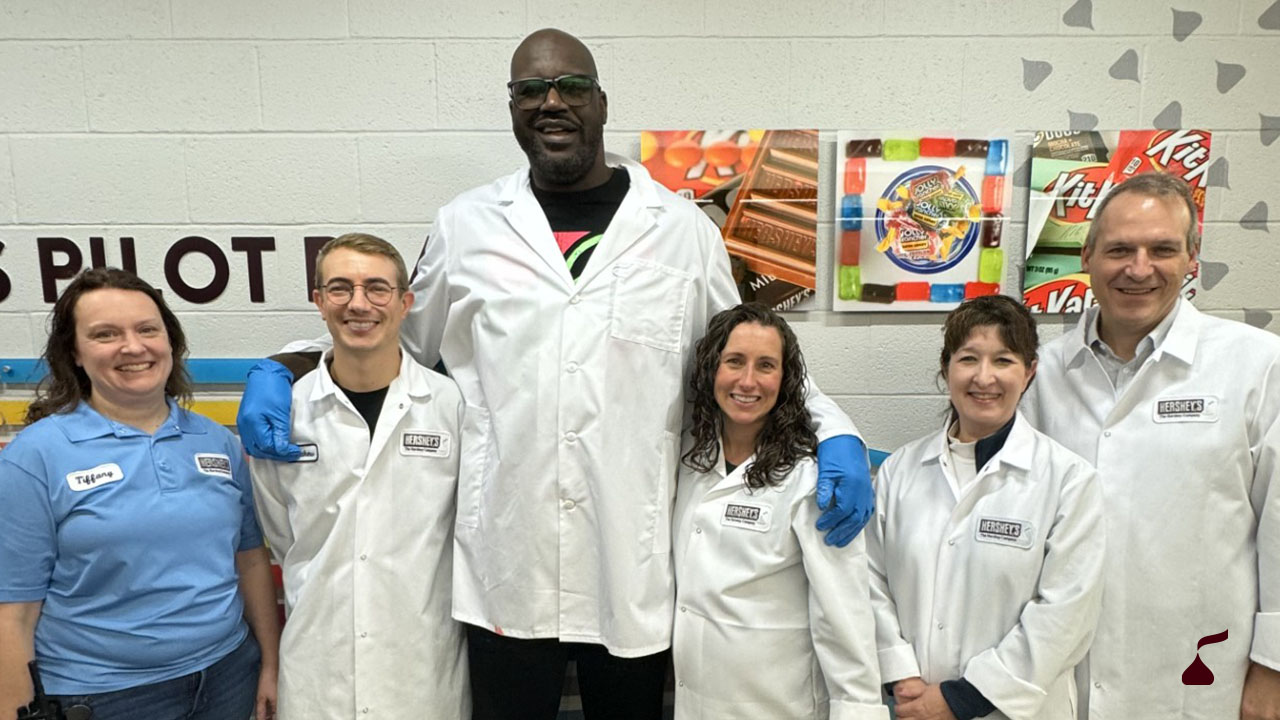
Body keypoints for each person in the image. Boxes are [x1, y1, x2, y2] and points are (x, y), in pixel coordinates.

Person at [236, 28, 874, 719]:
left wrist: (835, 431)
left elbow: (748, 353)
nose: (551, 104)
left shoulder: (681, 231)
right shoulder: (468, 224)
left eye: (570, 88)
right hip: (506, 567)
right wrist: (281, 365)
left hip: (630, 567)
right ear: (512, 108)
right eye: (530, 91)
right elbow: (397, 340)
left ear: (601, 102)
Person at [1024, 172, 1280, 720]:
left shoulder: (1257, 364)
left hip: (1204, 666)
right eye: (1119, 249)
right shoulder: (1040, 374)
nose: (1138, 269)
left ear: (1191, 256)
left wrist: (1272, 669)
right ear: (1088, 256)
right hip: (1065, 667)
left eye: (1161, 249)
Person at [0, 268, 280, 720]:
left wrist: (270, 662)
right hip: (105, 698)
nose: (133, 347)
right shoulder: (34, 458)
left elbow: (248, 560)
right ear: (74, 352)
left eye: (147, 329)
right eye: (105, 334)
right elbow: (11, 613)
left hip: (228, 676)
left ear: (169, 340)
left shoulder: (216, 441)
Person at [247, 235, 468, 719]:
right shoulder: (285, 414)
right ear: (319, 301)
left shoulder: (451, 405)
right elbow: (284, 537)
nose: (359, 304)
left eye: (377, 289)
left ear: (406, 303)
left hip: (420, 666)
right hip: (316, 668)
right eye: (341, 288)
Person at [869, 295, 1104, 720]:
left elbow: (1066, 613)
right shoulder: (899, 471)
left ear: (1029, 371)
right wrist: (901, 676)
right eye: (968, 358)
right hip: (911, 704)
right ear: (946, 368)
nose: (984, 377)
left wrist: (964, 698)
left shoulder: (1069, 480)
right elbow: (870, 580)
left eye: (1003, 360)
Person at [672, 303, 886, 719]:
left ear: (787, 380)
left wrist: (858, 708)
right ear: (710, 370)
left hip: (779, 705)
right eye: (734, 362)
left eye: (766, 366)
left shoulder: (808, 480)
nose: (748, 381)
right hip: (696, 701)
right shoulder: (688, 460)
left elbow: (844, 614)